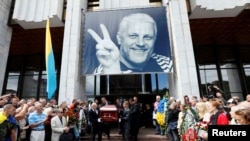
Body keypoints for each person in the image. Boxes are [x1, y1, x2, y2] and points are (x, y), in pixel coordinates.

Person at [87, 13, 172, 74]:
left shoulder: (167, 64)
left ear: (154, 39)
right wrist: (112, 72)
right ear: (119, 39)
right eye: (133, 36)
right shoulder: (106, 67)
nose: (141, 43)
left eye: (147, 37)